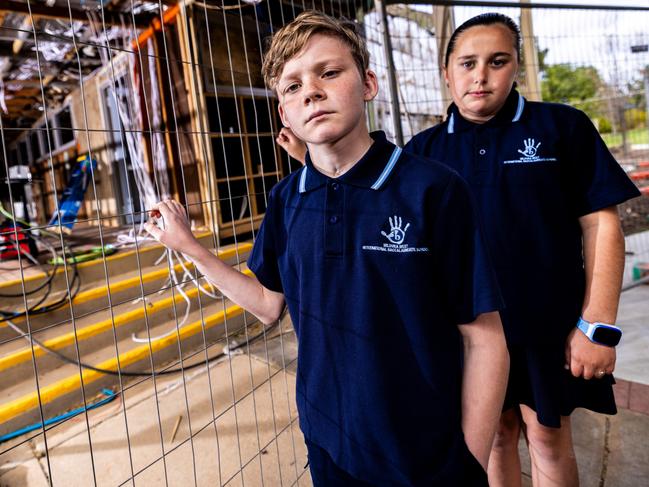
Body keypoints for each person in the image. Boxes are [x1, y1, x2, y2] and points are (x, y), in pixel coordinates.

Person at [145, 11, 510, 487]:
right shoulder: (285, 199)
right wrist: (191, 247)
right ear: (284, 114)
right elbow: (266, 305)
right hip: (328, 444)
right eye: (292, 86)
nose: (311, 91)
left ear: (368, 84)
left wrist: (469, 463)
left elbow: (486, 338)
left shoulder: (433, 189)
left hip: (426, 454)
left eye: (329, 72)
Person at [277, 12, 641, 487]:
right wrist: (313, 161)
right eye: (467, 63)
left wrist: (597, 324)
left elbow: (600, 223)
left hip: (544, 324)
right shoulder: (423, 152)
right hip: (465, 331)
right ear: (446, 73)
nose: (480, 76)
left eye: (497, 61)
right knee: (493, 437)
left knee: (548, 436)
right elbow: (367, 192)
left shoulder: (561, 128)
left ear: (517, 67)